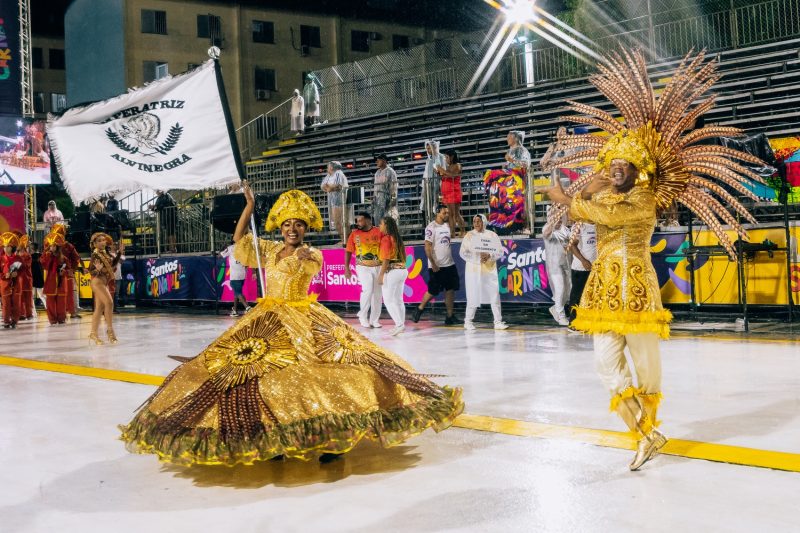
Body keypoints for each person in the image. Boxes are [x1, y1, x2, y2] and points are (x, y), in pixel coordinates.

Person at [120, 184, 464, 466]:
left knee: (321, 372)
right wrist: (249, 206)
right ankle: (274, 437)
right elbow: (240, 240)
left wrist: (300, 258)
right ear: (279, 228)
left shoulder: (311, 254)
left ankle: (334, 439)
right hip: (267, 318)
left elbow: (307, 267)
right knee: (260, 375)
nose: (292, 229)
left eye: (298, 224)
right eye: (287, 225)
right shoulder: (268, 251)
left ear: (305, 229)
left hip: (304, 318)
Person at [542, 49, 761, 470]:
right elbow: (589, 205)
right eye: (613, 163)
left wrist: (571, 198)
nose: (618, 168)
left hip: (638, 296)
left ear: (638, 170)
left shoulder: (643, 200)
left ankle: (645, 433)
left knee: (647, 372)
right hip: (604, 295)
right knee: (607, 368)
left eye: (626, 164)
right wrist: (584, 191)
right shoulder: (605, 192)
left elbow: (606, 214)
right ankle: (647, 434)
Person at [412, 204, 459, 325]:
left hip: (449, 264)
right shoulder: (431, 227)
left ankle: (449, 316)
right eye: (444, 213)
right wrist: (433, 263)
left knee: (450, 289)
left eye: (448, 213)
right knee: (433, 291)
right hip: (437, 265)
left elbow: (452, 235)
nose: (446, 215)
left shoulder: (447, 225)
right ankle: (420, 308)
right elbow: (427, 247)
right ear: (437, 213)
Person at [459, 214, 507, 330]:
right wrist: (477, 257)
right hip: (473, 271)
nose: (476, 224)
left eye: (478, 221)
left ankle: (498, 321)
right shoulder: (469, 236)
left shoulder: (492, 235)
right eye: (474, 221)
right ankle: (468, 321)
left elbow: (500, 251)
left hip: (489, 270)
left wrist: (489, 256)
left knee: (494, 294)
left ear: (484, 222)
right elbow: (463, 253)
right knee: (472, 295)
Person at [483, 130, 531, 233]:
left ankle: (521, 226)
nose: (507, 139)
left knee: (519, 204)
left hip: (518, 183)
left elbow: (525, 165)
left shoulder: (522, 150)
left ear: (516, 138)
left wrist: (511, 160)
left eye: (509, 137)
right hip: (508, 184)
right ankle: (502, 223)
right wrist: (506, 166)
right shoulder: (510, 151)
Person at [344, 212, 384, 328]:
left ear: (368, 220)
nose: (358, 223)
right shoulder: (354, 234)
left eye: (360, 220)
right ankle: (363, 315)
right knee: (367, 290)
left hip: (378, 266)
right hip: (362, 267)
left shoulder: (379, 231)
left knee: (377, 294)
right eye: (357, 221)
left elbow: (386, 248)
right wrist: (347, 268)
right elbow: (348, 251)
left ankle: (374, 320)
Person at [88, 233, 123, 344]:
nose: (103, 242)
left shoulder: (105, 253)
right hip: (97, 282)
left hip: (104, 282)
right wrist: (97, 269)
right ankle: (110, 331)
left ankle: (93, 334)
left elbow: (113, 265)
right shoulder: (96, 255)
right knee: (109, 303)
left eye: (103, 240)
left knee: (99, 308)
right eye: (99, 241)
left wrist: (120, 253)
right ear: (94, 244)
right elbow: (90, 270)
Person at [377, 216, 408, 336]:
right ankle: (400, 325)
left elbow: (386, 259)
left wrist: (381, 275)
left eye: (381, 224)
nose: (379, 226)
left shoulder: (386, 239)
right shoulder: (397, 238)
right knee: (399, 300)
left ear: (387, 226)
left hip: (393, 271)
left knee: (388, 300)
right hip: (402, 270)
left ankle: (399, 324)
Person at [542, 213, 572, 326]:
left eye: (560, 218)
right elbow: (546, 234)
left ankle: (556, 308)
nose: (558, 220)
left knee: (568, 290)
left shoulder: (566, 230)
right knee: (560, 288)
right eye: (555, 218)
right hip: (554, 265)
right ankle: (561, 315)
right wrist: (552, 223)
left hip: (567, 263)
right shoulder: (547, 228)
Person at [51, 224, 82, 319]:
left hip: (59, 274)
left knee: (63, 293)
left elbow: (76, 259)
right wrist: (72, 269)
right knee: (71, 292)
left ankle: (63, 313)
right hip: (63, 273)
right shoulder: (65, 246)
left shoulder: (53, 246)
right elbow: (76, 258)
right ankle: (71, 313)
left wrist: (72, 269)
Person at [568, 223, 597, 323]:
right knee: (577, 296)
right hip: (580, 268)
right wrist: (583, 261)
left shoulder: (600, 223)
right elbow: (572, 245)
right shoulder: (579, 225)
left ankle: (588, 322)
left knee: (592, 297)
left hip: (596, 268)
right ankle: (573, 322)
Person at [40, 233, 69, 325]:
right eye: (50, 245)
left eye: (53, 245)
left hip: (61, 283)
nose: (51, 247)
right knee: (50, 302)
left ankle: (61, 319)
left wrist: (63, 272)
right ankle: (52, 319)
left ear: (57, 246)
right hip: (50, 282)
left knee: (61, 302)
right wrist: (47, 254)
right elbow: (44, 265)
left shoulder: (63, 258)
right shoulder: (47, 256)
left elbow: (68, 269)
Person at [436, 149, 466, 238]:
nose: (445, 159)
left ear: (452, 157)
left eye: (447, 157)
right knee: (451, 214)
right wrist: (439, 173)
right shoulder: (448, 167)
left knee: (455, 214)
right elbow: (445, 176)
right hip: (448, 193)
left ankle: (463, 231)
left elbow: (452, 175)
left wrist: (442, 170)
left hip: (454, 192)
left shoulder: (458, 165)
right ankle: (452, 233)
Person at [321, 161, 348, 246]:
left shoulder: (338, 173)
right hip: (333, 201)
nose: (327, 168)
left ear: (332, 167)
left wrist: (330, 187)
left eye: (328, 167)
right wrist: (329, 187)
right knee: (337, 222)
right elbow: (323, 186)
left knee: (339, 222)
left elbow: (337, 186)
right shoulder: (329, 176)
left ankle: (345, 240)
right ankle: (343, 239)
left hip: (339, 201)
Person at [220, 240, 249, 317]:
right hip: (242, 273)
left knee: (238, 293)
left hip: (235, 274)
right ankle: (235, 310)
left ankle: (248, 307)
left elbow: (221, 255)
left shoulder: (230, 248)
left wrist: (224, 246)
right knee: (236, 293)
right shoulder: (244, 248)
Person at [1, 232, 22, 329]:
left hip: (16, 284)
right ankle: (6, 321)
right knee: (6, 304)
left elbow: (23, 270)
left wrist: (17, 274)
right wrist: (5, 275)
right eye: (4, 246)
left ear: (12, 247)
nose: (6, 248)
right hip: (5, 284)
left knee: (16, 303)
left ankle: (14, 320)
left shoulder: (18, 258)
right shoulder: (1, 259)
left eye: (8, 246)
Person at [420, 139, 445, 219]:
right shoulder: (428, 159)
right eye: (427, 149)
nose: (428, 150)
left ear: (434, 147)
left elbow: (442, 170)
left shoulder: (440, 156)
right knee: (426, 205)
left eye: (429, 148)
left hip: (437, 184)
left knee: (436, 203)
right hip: (428, 184)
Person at [372, 153, 398, 225]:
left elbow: (394, 186)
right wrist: (374, 197)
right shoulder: (377, 173)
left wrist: (393, 198)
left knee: (387, 218)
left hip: (387, 197)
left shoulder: (390, 171)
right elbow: (375, 186)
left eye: (378, 160)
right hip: (378, 198)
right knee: (377, 218)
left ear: (384, 160)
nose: (376, 162)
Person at [16, 234, 34, 320]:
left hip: (27, 279)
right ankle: (21, 314)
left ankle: (29, 314)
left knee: (27, 298)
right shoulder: (15, 255)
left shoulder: (27, 255)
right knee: (20, 298)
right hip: (19, 279)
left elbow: (26, 266)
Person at [110, 242, 126, 313]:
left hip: (118, 276)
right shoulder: (107, 254)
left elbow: (121, 261)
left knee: (116, 294)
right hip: (110, 277)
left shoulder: (120, 255)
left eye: (116, 245)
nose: (114, 246)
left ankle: (114, 309)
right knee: (109, 293)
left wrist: (119, 253)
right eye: (113, 244)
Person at [30, 242, 45, 308]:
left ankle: (33, 312)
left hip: (32, 278)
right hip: (39, 278)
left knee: (31, 297)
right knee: (42, 295)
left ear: (31, 249)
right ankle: (49, 308)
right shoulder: (41, 255)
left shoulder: (30, 257)